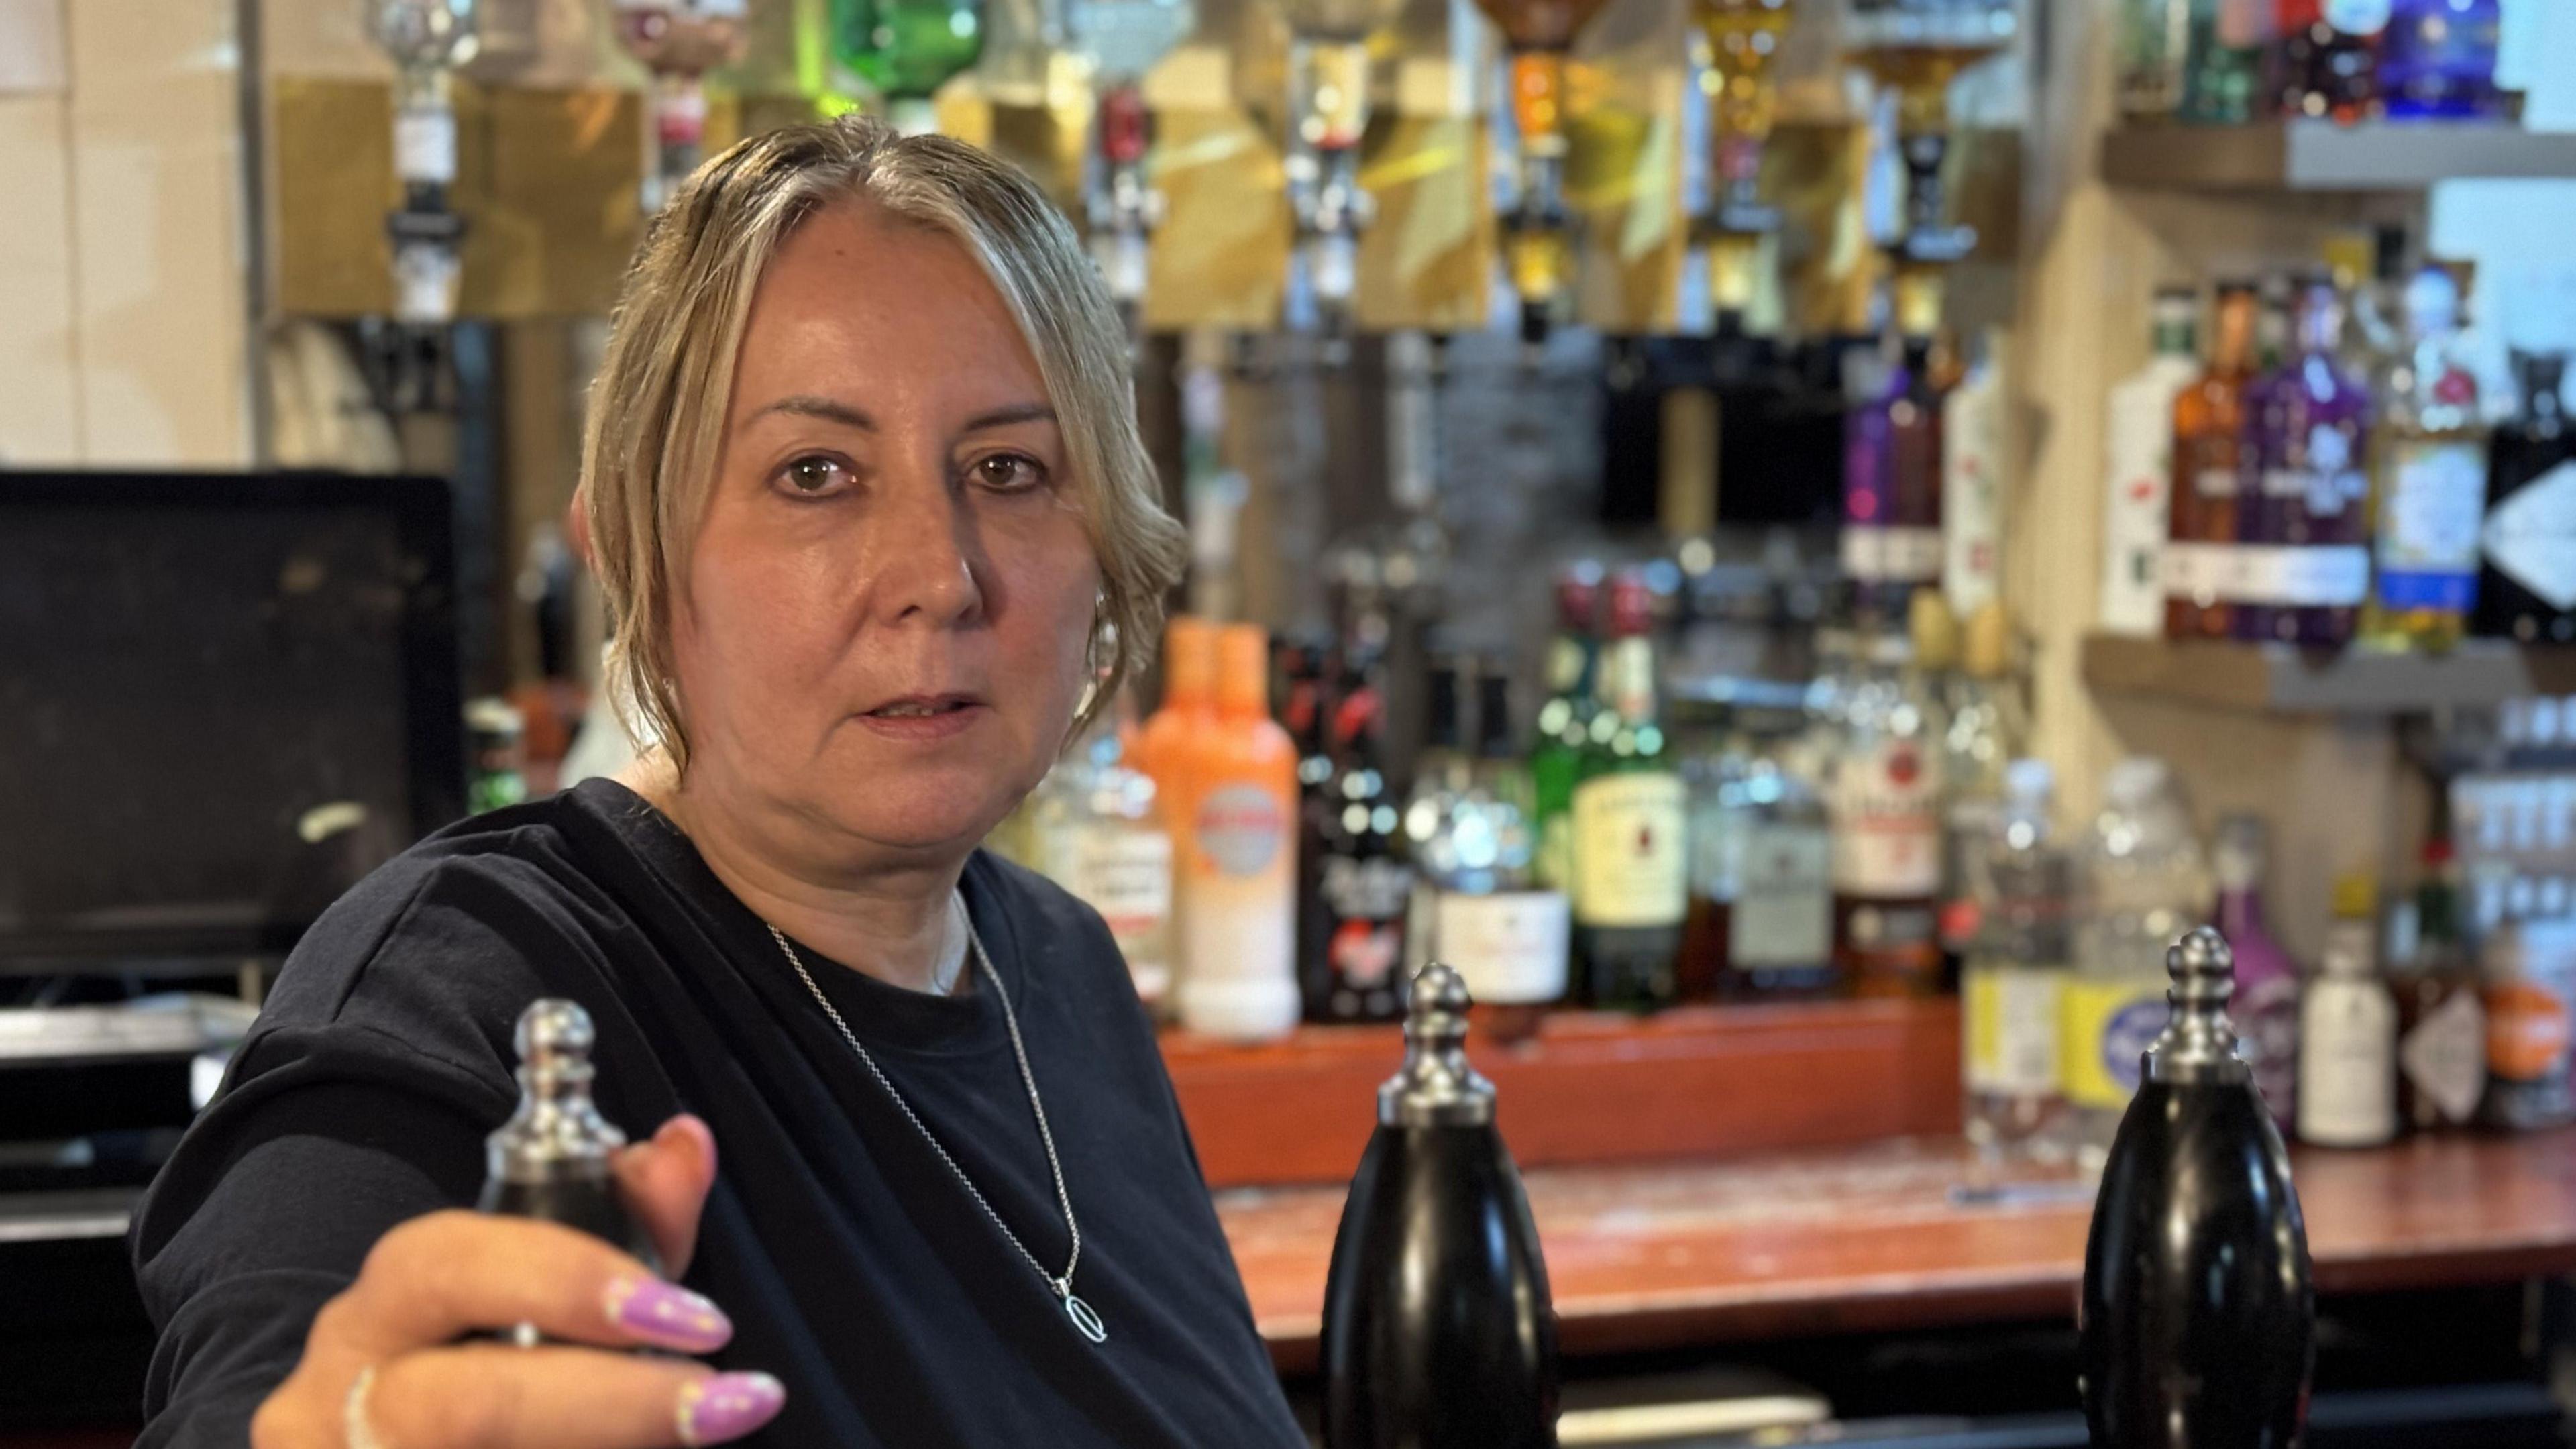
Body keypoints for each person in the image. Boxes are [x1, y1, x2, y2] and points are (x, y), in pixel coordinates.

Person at [129, 117, 1309, 1449]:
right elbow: (280, 1386)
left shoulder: (1064, 966)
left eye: (1008, 469)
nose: (940, 572)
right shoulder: (459, 986)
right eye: (816, 475)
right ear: (638, 548)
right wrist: (343, 1424)